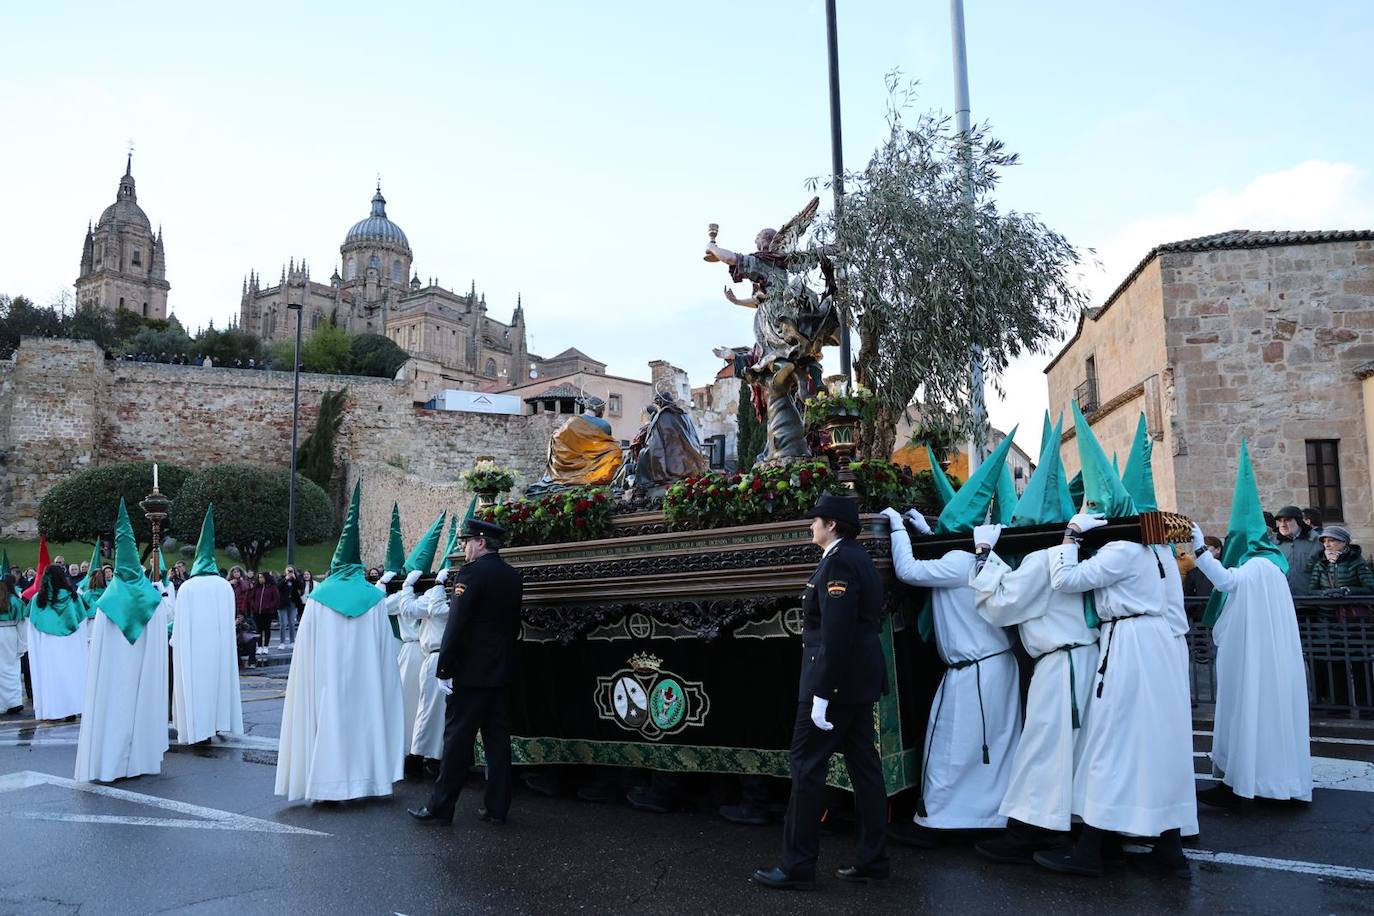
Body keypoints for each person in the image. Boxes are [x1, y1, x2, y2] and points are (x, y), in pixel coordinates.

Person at [1034, 405, 1196, 879]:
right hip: (1160, 647)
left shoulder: (1123, 550)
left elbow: (1066, 580)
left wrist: (1068, 536)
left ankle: (1090, 851)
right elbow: (1175, 614)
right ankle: (1168, 847)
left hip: (1129, 646)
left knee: (1112, 742)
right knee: (1156, 743)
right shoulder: (1161, 551)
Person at [964, 420, 1100, 864]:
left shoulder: (1043, 557)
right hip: (1079, 659)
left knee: (1046, 748)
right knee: (1070, 748)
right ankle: (1066, 824)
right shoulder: (1074, 550)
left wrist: (986, 557)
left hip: (1061, 664)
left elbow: (1004, 603)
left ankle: (1035, 831)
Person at [883, 433, 1024, 847]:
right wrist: (924, 528)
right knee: (991, 751)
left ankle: (944, 820)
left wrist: (895, 526)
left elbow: (911, 570)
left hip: (974, 671)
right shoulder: (975, 558)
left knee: (951, 748)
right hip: (992, 667)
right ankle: (986, 817)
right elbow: (940, 559)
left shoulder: (959, 562)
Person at [752, 495, 888, 889]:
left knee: (807, 768)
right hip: (856, 682)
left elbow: (836, 632)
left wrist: (824, 693)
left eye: (815, 520)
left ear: (831, 524)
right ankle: (873, 859)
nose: (810, 526)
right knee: (865, 769)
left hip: (835, 684)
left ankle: (797, 866)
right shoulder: (855, 557)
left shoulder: (840, 561)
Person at [1192, 443, 1311, 808]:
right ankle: (1265, 782)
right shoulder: (1272, 565)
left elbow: (1227, 582)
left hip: (1253, 658)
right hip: (1264, 656)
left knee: (1250, 712)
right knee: (1268, 717)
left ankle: (1247, 785)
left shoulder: (1256, 566)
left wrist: (1198, 550)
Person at [276, 481, 405, 803]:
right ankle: (369, 781)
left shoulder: (319, 600)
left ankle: (326, 783)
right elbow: (385, 651)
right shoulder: (374, 599)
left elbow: (305, 654)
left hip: (326, 682)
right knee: (366, 719)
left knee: (328, 720)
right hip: (368, 683)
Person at [409, 518, 523, 827]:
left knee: (457, 740)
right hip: (500, 672)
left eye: (468, 542)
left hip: (471, 674)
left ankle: (441, 807)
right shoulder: (513, 577)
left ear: (481, 542)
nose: (465, 548)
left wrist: (445, 667)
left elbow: (456, 624)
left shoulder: (470, 575)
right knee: (497, 741)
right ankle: (498, 807)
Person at [75, 499, 170, 782]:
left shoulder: (107, 602)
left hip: (112, 674)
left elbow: (99, 645)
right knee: (138, 709)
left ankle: (109, 763)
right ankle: (139, 760)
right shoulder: (154, 601)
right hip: (142, 673)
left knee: (111, 709)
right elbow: (158, 645)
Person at [171, 504, 244, 745]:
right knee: (217, 683)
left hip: (193, 647)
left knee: (195, 686)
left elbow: (179, 623)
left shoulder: (188, 588)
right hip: (218, 646)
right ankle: (217, 722)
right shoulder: (224, 586)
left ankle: (196, 727)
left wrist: (175, 642)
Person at [391, 511, 447, 777]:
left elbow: (410, 608)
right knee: (415, 706)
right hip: (418, 653)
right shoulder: (432, 598)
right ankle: (414, 753)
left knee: (425, 709)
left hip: (429, 654)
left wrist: (408, 589)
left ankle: (421, 756)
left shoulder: (439, 600)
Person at [401, 522, 458, 774]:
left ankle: (432, 758)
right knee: (428, 711)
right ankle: (420, 756)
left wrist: (434, 587)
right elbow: (408, 608)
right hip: (434, 657)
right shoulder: (433, 596)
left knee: (441, 713)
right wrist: (407, 588)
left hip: (445, 657)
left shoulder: (448, 597)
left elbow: (437, 611)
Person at [27, 564, 88, 721]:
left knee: (51, 675)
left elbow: (33, 626)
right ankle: (72, 708)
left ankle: (54, 709)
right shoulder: (74, 597)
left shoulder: (38, 600)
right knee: (72, 673)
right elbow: (82, 623)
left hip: (48, 643)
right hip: (71, 641)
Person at [1308, 525, 1374, 597]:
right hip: (1326, 607)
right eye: (1324, 541)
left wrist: (1347, 591)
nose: (1326, 545)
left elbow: (1370, 588)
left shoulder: (1356, 560)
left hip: (1350, 606)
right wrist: (1325, 593)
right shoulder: (1321, 563)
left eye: (1331, 540)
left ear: (1344, 542)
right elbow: (1311, 590)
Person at [1274, 506, 1321, 597]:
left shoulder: (1316, 541)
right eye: (1280, 521)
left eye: (1287, 520)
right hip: (1282, 602)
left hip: (1310, 602)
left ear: (1299, 521)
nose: (1282, 525)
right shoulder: (1272, 543)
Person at [1, 575, 24, 714]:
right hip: (10, 633)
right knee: (12, 667)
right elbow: (22, 624)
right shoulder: (15, 601)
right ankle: (14, 701)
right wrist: (23, 645)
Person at [250, 572, 278, 653]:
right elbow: (251, 598)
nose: (260, 579)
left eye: (262, 577)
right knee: (258, 629)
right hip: (257, 612)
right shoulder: (256, 587)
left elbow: (276, 599)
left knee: (266, 629)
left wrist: (269, 606)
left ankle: (266, 646)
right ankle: (259, 646)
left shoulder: (272, 587)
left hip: (267, 612)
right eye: (259, 577)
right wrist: (254, 605)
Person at [278, 566, 301, 647]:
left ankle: (292, 641)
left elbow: (300, 587)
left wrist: (295, 579)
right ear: (285, 571)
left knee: (292, 623)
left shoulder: (295, 579)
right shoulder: (281, 578)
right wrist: (285, 579)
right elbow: (278, 586)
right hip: (282, 603)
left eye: (291, 571)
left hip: (292, 603)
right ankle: (282, 642)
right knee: (283, 623)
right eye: (288, 570)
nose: (290, 572)